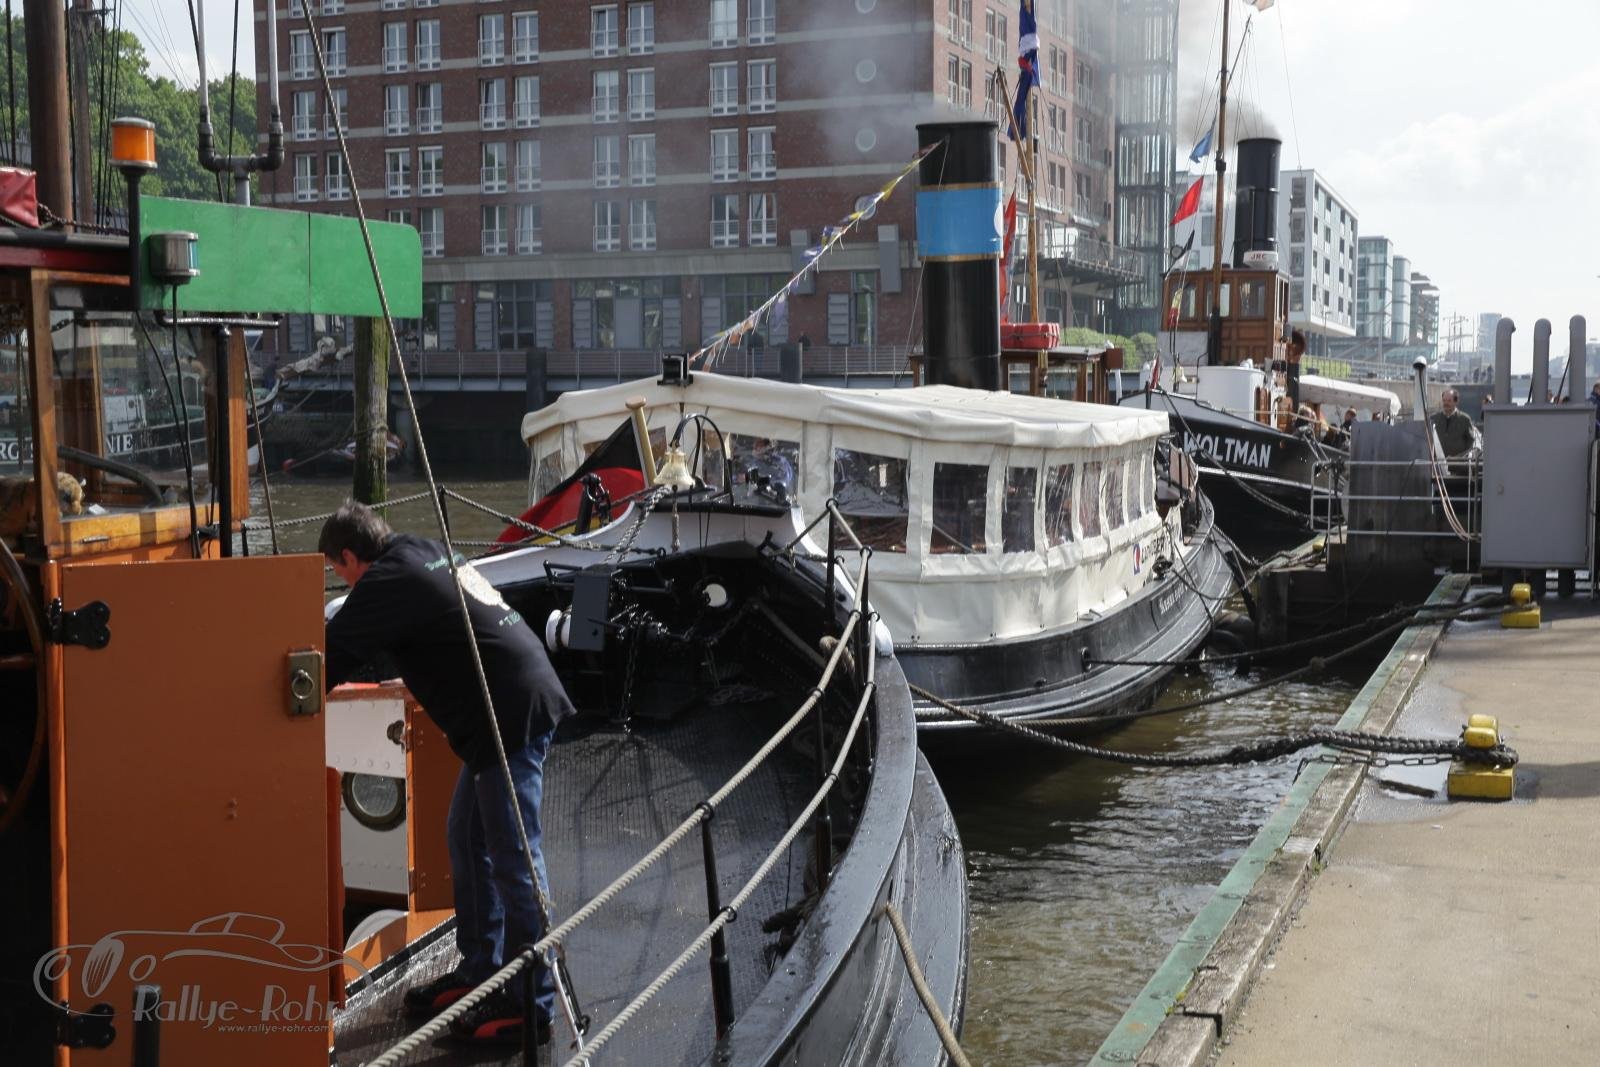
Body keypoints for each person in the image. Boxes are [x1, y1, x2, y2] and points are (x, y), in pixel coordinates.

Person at [321, 502, 575, 1046]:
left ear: (348, 557)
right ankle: (483, 970)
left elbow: (328, 657)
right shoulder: (419, 550)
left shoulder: (387, 580)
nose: (342, 581)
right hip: (505, 707)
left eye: (337, 571)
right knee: (466, 837)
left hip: (510, 716)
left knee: (515, 860)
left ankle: (533, 1005)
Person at [1430, 388, 1477, 457]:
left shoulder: (1464, 419)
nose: (1446, 403)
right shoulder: (1434, 419)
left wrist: (1460, 457)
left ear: (1456, 401)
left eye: (1449, 401)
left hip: (1458, 462)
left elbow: (1470, 441)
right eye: (1444, 400)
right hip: (1437, 462)